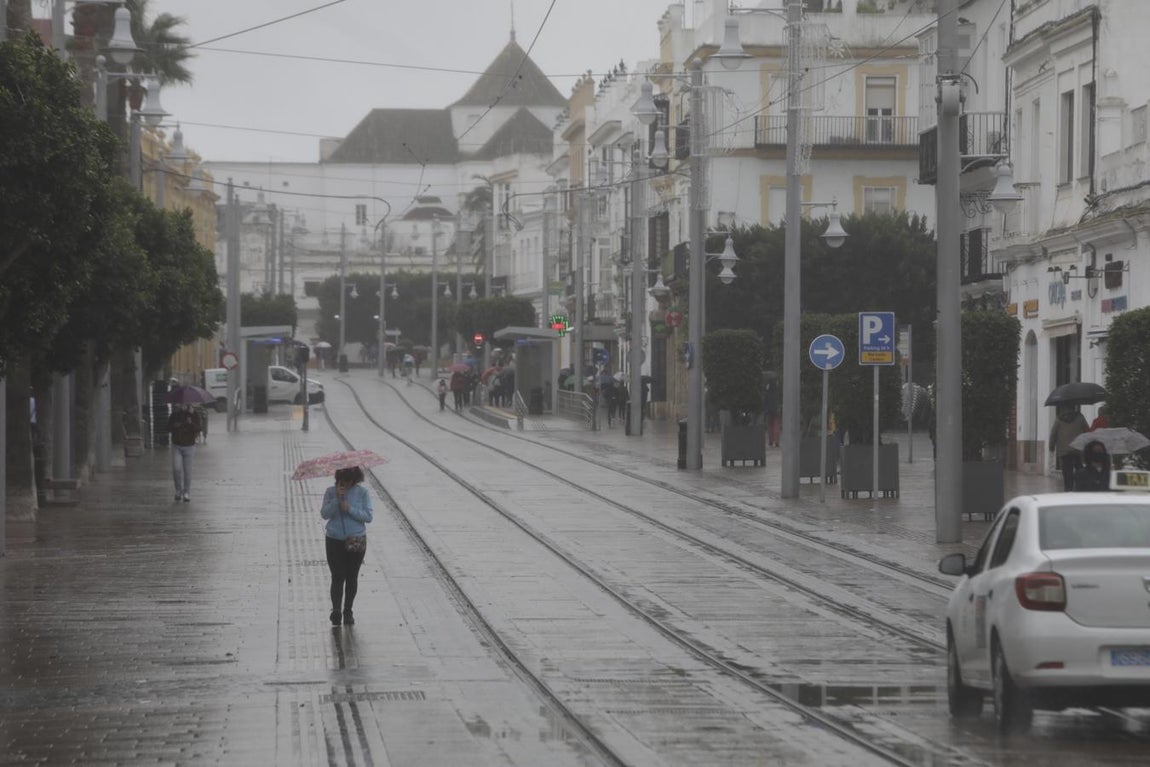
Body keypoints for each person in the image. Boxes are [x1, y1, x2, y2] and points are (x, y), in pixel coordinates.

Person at [320, 466, 373, 626]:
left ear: (355, 480)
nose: (346, 485)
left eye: (349, 482)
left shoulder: (363, 493)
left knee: (351, 576)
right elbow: (324, 514)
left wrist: (349, 508)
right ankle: (336, 610)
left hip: (356, 538)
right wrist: (337, 500)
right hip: (334, 538)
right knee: (337, 576)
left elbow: (368, 516)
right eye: (343, 481)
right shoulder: (330, 492)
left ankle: (348, 610)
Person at [1050, 404, 1089, 491]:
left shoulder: (1058, 419)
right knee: (1080, 470)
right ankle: (1081, 488)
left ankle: (1068, 489)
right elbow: (1087, 430)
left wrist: (1051, 446)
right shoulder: (1080, 417)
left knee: (1067, 473)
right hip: (1077, 449)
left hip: (1064, 451)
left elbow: (1053, 434)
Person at [167, 404, 201, 502]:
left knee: (187, 471)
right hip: (176, 446)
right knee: (176, 469)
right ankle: (178, 490)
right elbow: (168, 428)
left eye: (185, 403)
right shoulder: (175, 414)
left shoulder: (194, 414)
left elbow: (199, 429)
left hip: (189, 446)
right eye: (181, 403)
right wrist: (174, 425)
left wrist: (191, 423)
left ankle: (186, 492)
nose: (183, 405)